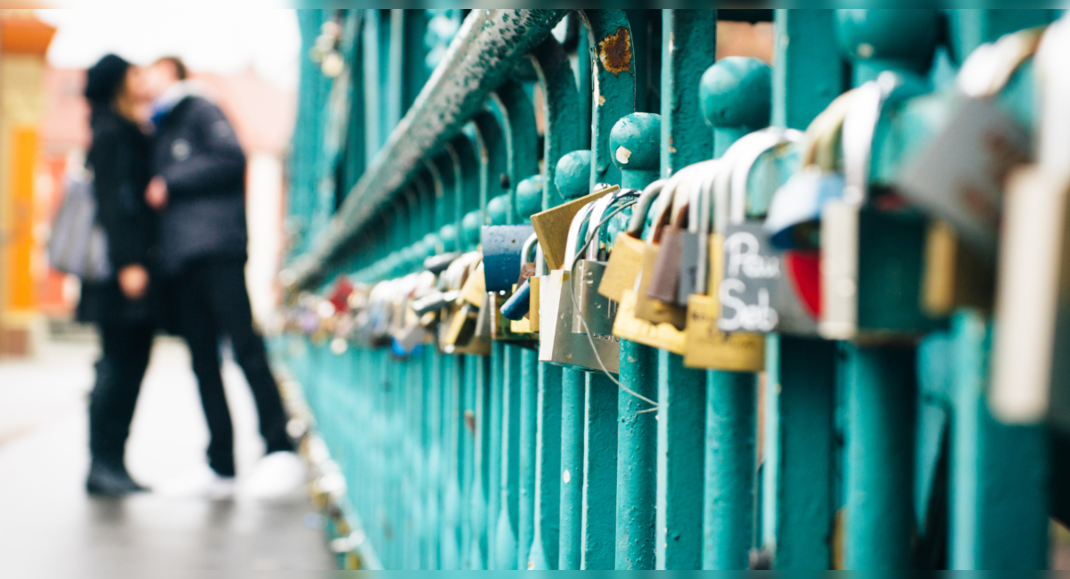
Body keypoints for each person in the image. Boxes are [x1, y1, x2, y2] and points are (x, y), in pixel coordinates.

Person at [141, 56, 302, 499]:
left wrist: (170, 180)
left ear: (173, 72)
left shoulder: (199, 108)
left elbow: (230, 157)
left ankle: (279, 449)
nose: (144, 81)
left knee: (245, 346)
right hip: (182, 258)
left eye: (152, 72)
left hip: (217, 251)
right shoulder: (160, 124)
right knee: (203, 362)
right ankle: (221, 463)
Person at [78, 54, 155, 497]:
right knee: (116, 364)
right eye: (134, 74)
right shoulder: (110, 131)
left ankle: (115, 462)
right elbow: (113, 200)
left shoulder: (127, 127)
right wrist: (129, 262)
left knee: (128, 364)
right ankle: (100, 463)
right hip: (119, 272)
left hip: (132, 267)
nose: (140, 81)